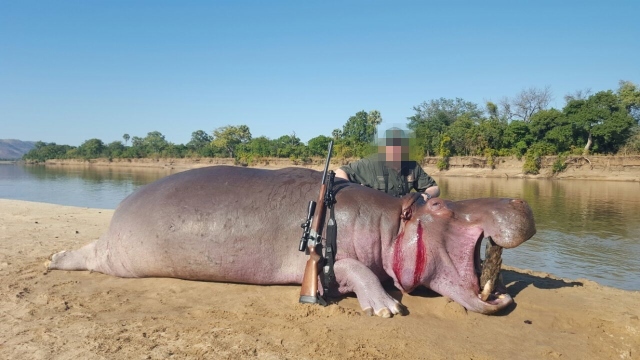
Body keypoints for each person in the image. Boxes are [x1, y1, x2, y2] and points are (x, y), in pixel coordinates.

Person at [335, 127, 440, 200]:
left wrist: (426, 196)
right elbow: (341, 171)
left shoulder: (412, 166)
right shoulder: (370, 164)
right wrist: (350, 193)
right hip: (377, 218)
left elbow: (434, 188)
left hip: (403, 216)